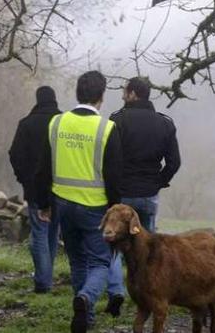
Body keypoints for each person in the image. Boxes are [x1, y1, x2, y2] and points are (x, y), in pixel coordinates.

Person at [34, 71, 122, 333]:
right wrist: (115, 209)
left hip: (63, 205)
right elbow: (114, 176)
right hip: (96, 208)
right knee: (101, 262)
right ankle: (86, 298)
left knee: (78, 261)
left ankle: (87, 317)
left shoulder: (56, 123)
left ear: (77, 93)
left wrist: (43, 203)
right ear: (102, 96)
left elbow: (43, 168)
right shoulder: (107, 128)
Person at [104, 76, 181, 316]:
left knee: (114, 245)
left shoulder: (117, 120)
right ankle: (150, 294)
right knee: (148, 249)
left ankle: (117, 290)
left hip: (122, 196)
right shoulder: (165, 124)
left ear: (133, 93)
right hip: (149, 194)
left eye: (125, 91)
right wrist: (158, 182)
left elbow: (110, 161)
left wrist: (112, 189)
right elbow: (174, 162)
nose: (123, 95)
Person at [8, 86, 62, 293]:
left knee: (39, 234)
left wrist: (23, 179)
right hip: (61, 188)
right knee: (52, 233)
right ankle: (46, 277)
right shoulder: (63, 122)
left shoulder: (26, 124)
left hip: (34, 188)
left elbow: (14, 154)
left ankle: (43, 281)